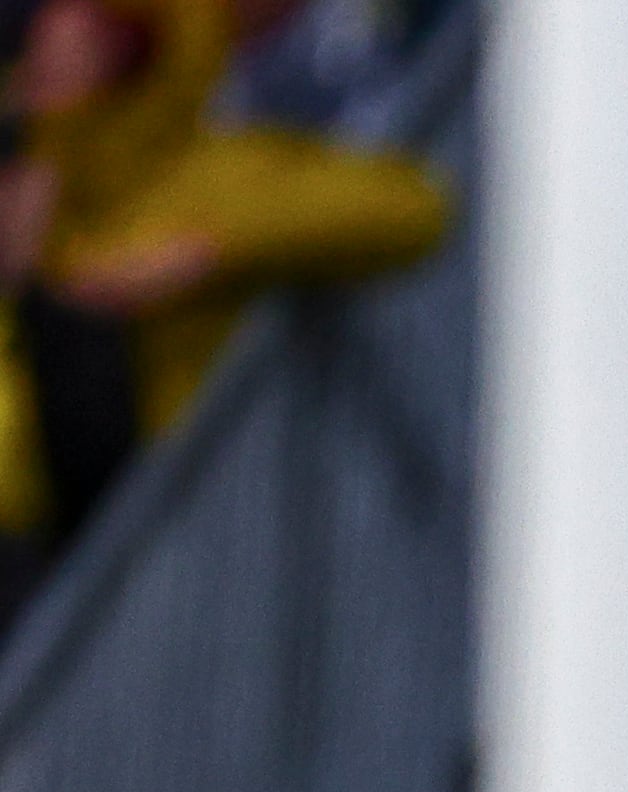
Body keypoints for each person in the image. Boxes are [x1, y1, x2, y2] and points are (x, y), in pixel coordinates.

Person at [0, 0, 445, 593]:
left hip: (121, 548)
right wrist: (46, 144)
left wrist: (202, 254)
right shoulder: (31, 168)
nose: (75, 50)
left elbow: (414, 209)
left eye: (111, 38)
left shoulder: (201, 184)